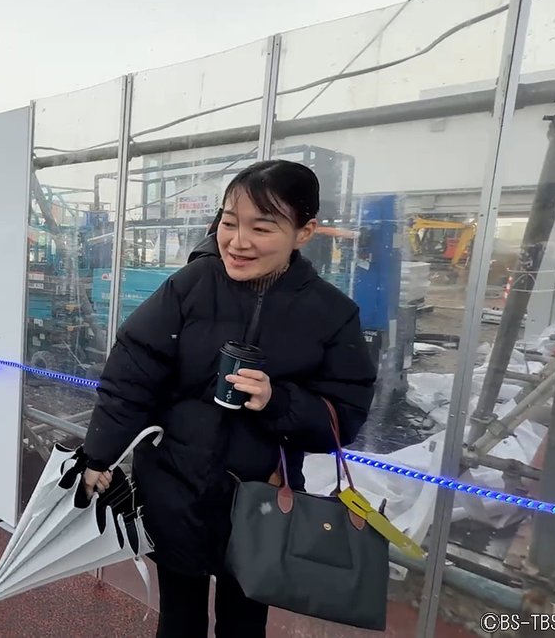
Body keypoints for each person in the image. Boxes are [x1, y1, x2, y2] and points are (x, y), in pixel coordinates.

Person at [81, 160, 378, 637]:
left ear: (304, 232)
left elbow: (345, 416)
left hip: (261, 502)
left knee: (244, 624)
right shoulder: (189, 286)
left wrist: (278, 401)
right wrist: (100, 454)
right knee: (179, 620)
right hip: (175, 490)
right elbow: (131, 373)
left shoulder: (331, 313)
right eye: (229, 222)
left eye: (262, 227)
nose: (238, 241)